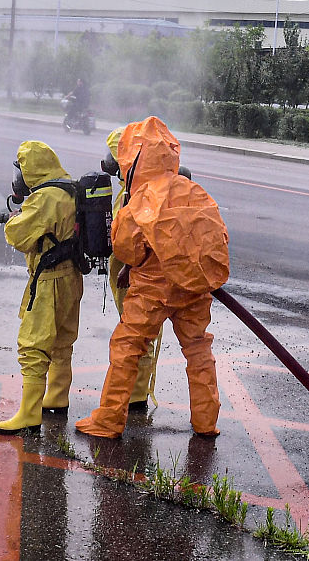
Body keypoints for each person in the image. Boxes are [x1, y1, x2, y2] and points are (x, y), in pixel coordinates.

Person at [75, 116, 230, 439]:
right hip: (195, 287)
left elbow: (126, 249)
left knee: (127, 349)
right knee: (199, 350)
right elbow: (216, 237)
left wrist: (133, 266)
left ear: (135, 159)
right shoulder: (193, 190)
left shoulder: (142, 197)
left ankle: (108, 421)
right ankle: (206, 421)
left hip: (152, 290)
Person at [0, 140, 85, 434]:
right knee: (62, 339)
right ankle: (57, 398)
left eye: (21, 169)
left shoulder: (44, 198)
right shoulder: (68, 188)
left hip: (49, 281)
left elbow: (19, 236)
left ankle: (29, 414)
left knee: (34, 343)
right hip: (72, 276)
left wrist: (14, 220)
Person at [103, 126, 161, 411]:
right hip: (130, 272)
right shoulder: (132, 188)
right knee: (135, 332)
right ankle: (134, 393)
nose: (109, 163)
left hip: (138, 275)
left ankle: (136, 397)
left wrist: (127, 266)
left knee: (138, 335)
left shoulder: (139, 193)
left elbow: (139, 238)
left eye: (114, 156)